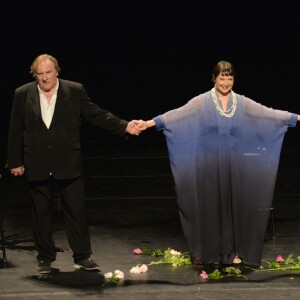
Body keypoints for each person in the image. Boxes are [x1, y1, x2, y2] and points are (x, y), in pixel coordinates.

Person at [137, 61, 300, 270]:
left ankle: (233, 253)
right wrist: (149, 123)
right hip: (208, 164)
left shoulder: (241, 102)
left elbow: (266, 113)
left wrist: (295, 117)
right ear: (214, 78)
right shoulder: (203, 102)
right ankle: (211, 253)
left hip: (234, 165)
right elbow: (177, 114)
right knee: (210, 207)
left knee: (233, 206)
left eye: (229, 78)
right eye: (222, 78)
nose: (226, 82)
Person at [6, 54, 141, 274]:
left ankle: (82, 256)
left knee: (76, 211)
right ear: (35, 76)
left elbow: (96, 115)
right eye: (40, 74)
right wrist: (15, 161)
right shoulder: (23, 94)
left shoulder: (74, 90)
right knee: (40, 213)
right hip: (37, 162)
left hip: (68, 161)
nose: (45, 78)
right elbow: (14, 129)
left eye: (48, 72)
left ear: (57, 71)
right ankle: (45, 257)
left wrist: (123, 126)